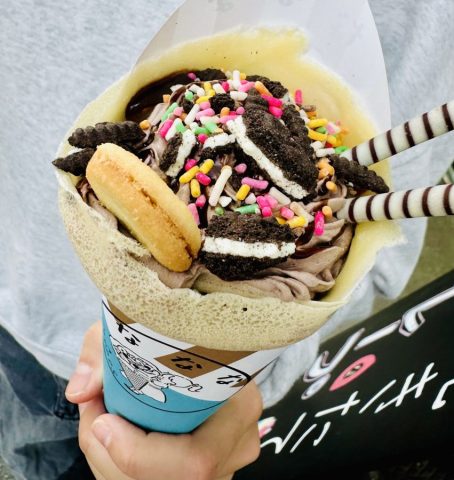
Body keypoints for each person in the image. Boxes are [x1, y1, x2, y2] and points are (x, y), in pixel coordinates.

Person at [1, 0, 453, 478]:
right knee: (37, 458)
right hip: (19, 321)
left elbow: (379, 255)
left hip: (221, 408)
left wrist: (250, 368)